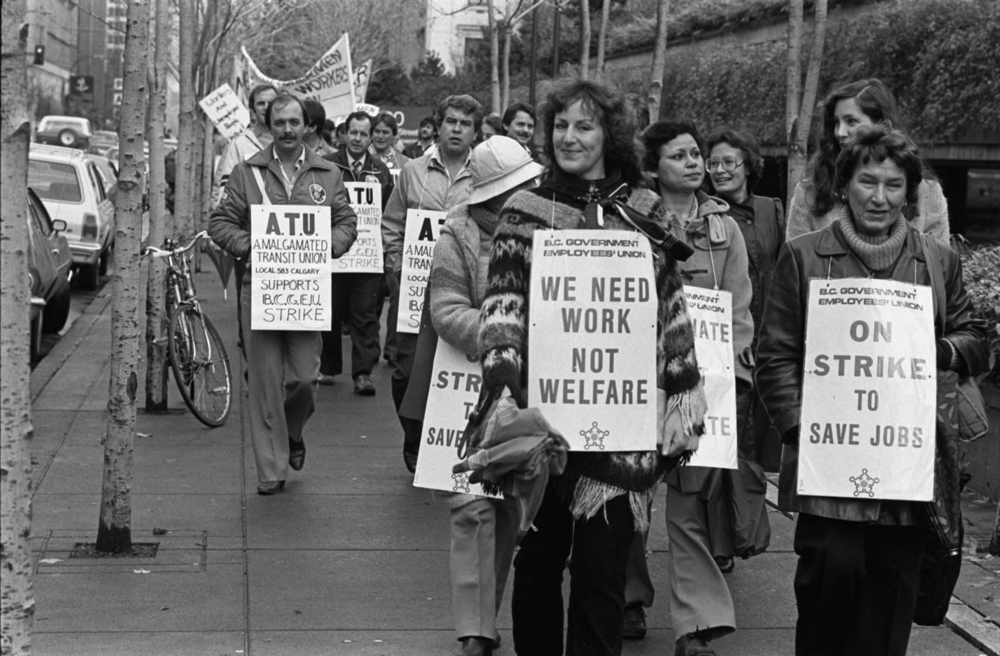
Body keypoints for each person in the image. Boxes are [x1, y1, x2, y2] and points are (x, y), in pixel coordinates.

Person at [478, 79, 708, 656]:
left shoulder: (646, 212)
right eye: (560, 125)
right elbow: (502, 308)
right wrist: (502, 393)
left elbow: (671, 311)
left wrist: (683, 393)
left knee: (603, 576)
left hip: (622, 430)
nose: (569, 137)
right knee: (537, 567)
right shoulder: (523, 210)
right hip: (542, 426)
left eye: (584, 125)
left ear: (609, 134)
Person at [756, 125, 989, 656]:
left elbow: (975, 339)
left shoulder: (937, 260)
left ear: (909, 192)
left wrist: (940, 350)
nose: (879, 197)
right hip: (828, 466)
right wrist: (802, 430)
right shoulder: (802, 256)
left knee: (890, 602)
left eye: (893, 185)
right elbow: (776, 355)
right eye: (867, 182)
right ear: (844, 186)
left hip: (906, 469)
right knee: (828, 588)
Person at [620, 120, 755, 656]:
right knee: (630, 493)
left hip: (705, 383)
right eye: (680, 156)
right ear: (654, 167)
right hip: (640, 378)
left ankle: (697, 623)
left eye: (697, 154)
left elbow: (740, 307)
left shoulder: (726, 228)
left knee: (691, 503)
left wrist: (732, 377)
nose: (696, 163)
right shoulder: (627, 219)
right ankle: (628, 596)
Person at [427, 136, 544, 656]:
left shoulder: (556, 229)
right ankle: (475, 629)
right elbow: (446, 308)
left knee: (519, 511)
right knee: (473, 506)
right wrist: (506, 333)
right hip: (474, 389)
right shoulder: (457, 235)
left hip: (539, 389)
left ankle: (489, 614)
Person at [209, 93, 358, 495]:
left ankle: (292, 433)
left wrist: (329, 246)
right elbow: (220, 223)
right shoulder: (246, 172)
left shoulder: (327, 174)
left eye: (295, 122)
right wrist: (252, 246)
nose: (288, 129)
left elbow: (346, 221)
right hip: (259, 291)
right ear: (268, 126)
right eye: (280, 123)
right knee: (263, 383)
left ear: (307, 125)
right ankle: (271, 471)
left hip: (306, 293)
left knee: (305, 380)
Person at [383, 95, 482, 472]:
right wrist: (395, 265)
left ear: (475, 131)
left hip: (463, 291)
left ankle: (447, 444)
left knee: (455, 367)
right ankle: (413, 433)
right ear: (438, 125)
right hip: (413, 287)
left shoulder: (484, 174)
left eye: (465, 124)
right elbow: (391, 223)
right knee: (406, 369)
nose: (457, 129)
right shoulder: (412, 171)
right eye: (451, 121)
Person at [705, 128, 785, 471]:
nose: (720, 170)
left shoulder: (772, 210)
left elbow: (784, 272)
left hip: (769, 338)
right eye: (714, 163)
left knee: (765, 447)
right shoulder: (706, 216)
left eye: (729, 162)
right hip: (724, 341)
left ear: (748, 167)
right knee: (725, 443)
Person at [786, 78, 950, 245]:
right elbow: (795, 262)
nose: (840, 132)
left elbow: (940, 266)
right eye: (836, 122)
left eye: (851, 121)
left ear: (884, 126)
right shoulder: (810, 192)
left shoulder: (928, 194)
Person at [318, 110, 394, 395]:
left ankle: (363, 374)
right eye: (353, 132)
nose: (358, 139)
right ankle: (327, 368)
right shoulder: (326, 166)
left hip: (367, 256)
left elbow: (389, 212)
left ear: (371, 136)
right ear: (343, 134)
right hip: (334, 253)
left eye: (364, 133)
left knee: (365, 315)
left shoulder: (380, 170)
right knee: (330, 311)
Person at [215, 84, 277, 192]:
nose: (266, 107)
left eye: (271, 103)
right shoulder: (239, 144)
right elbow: (227, 187)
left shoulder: (290, 143)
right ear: (253, 110)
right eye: (261, 103)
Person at [370, 112, 411, 184]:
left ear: (393, 135)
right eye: (377, 131)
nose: (380, 136)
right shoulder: (360, 158)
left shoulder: (405, 163)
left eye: (385, 132)